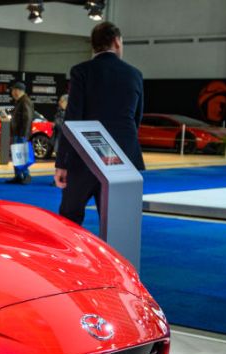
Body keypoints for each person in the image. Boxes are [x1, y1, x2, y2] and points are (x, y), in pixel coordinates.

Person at [55, 22, 145, 225]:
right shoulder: (135, 75)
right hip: (122, 160)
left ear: (94, 45)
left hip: (85, 157)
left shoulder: (81, 72)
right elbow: (136, 118)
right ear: (116, 42)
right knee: (119, 222)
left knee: (71, 217)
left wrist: (62, 163)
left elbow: (72, 119)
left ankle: (73, 257)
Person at [6, 81, 33, 185]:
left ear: (17, 91)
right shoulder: (20, 101)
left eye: (13, 90)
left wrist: (23, 135)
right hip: (18, 133)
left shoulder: (25, 101)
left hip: (21, 134)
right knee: (17, 155)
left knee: (21, 155)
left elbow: (27, 118)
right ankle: (18, 175)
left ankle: (26, 175)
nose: (12, 92)